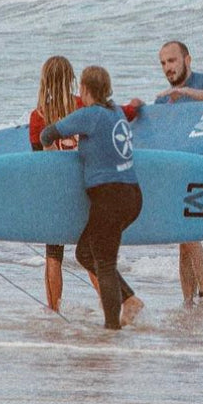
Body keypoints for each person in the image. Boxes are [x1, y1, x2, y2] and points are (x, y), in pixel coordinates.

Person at [39, 65, 144, 330]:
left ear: (85, 90)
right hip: (132, 196)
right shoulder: (116, 112)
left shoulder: (89, 115)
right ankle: (129, 299)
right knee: (86, 253)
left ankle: (112, 329)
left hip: (109, 196)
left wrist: (51, 156)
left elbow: (47, 133)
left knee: (105, 263)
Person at [155, 40, 203, 304]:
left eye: (172, 61)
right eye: (163, 63)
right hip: (180, 173)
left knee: (189, 234)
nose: (167, 68)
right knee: (183, 240)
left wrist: (185, 94)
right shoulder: (162, 101)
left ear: (187, 59)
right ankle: (188, 301)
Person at [29, 55, 79, 312]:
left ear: (44, 81)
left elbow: (40, 162)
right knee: (92, 255)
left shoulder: (38, 117)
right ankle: (110, 305)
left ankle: (54, 310)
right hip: (85, 190)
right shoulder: (84, 106)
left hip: (56, 194)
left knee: (53, 253)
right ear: (72, 79)